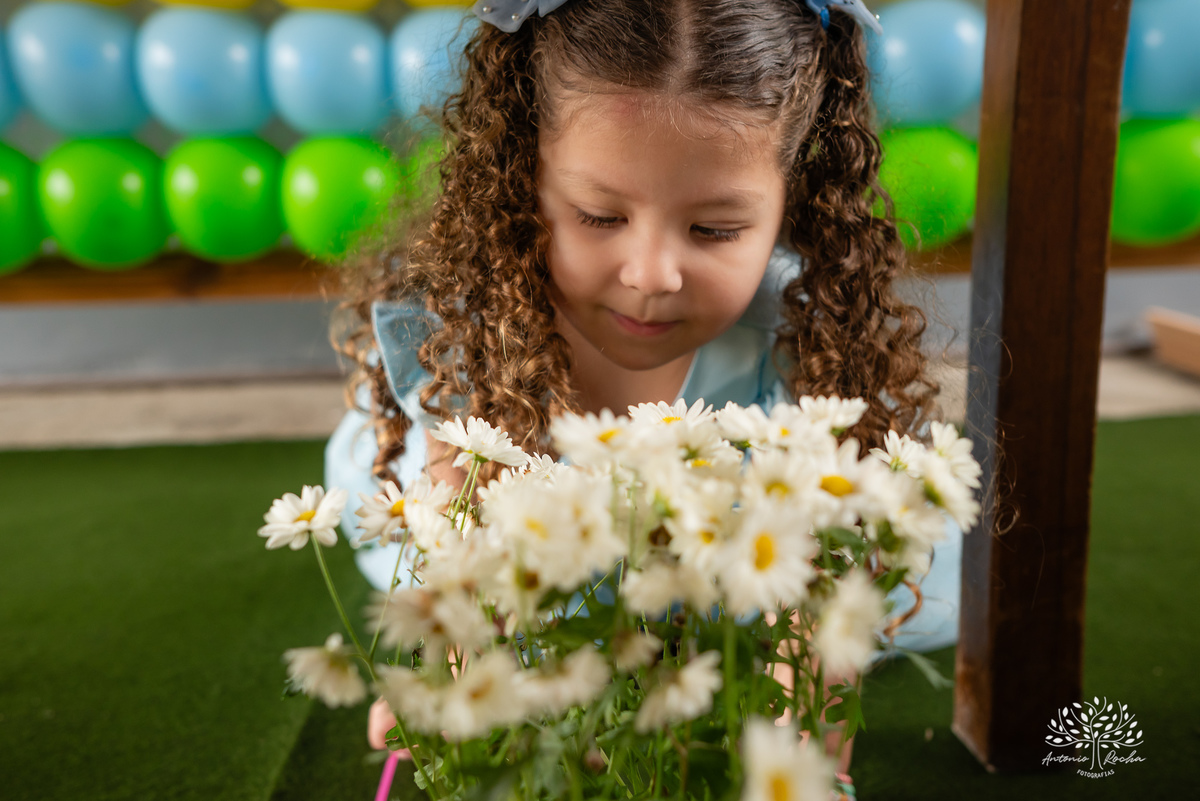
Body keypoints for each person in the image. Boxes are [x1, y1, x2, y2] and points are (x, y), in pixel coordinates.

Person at [323, 0, 963, 794]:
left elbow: (820, 571)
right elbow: (456, 545)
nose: (652, 274)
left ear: (792, 202)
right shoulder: (479, 324)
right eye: (600, 215)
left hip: (728, 555)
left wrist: (810, 704)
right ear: (525, 181)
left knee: (908, 586)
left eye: (715, 229)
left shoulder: (803, 335)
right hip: (519, 530)